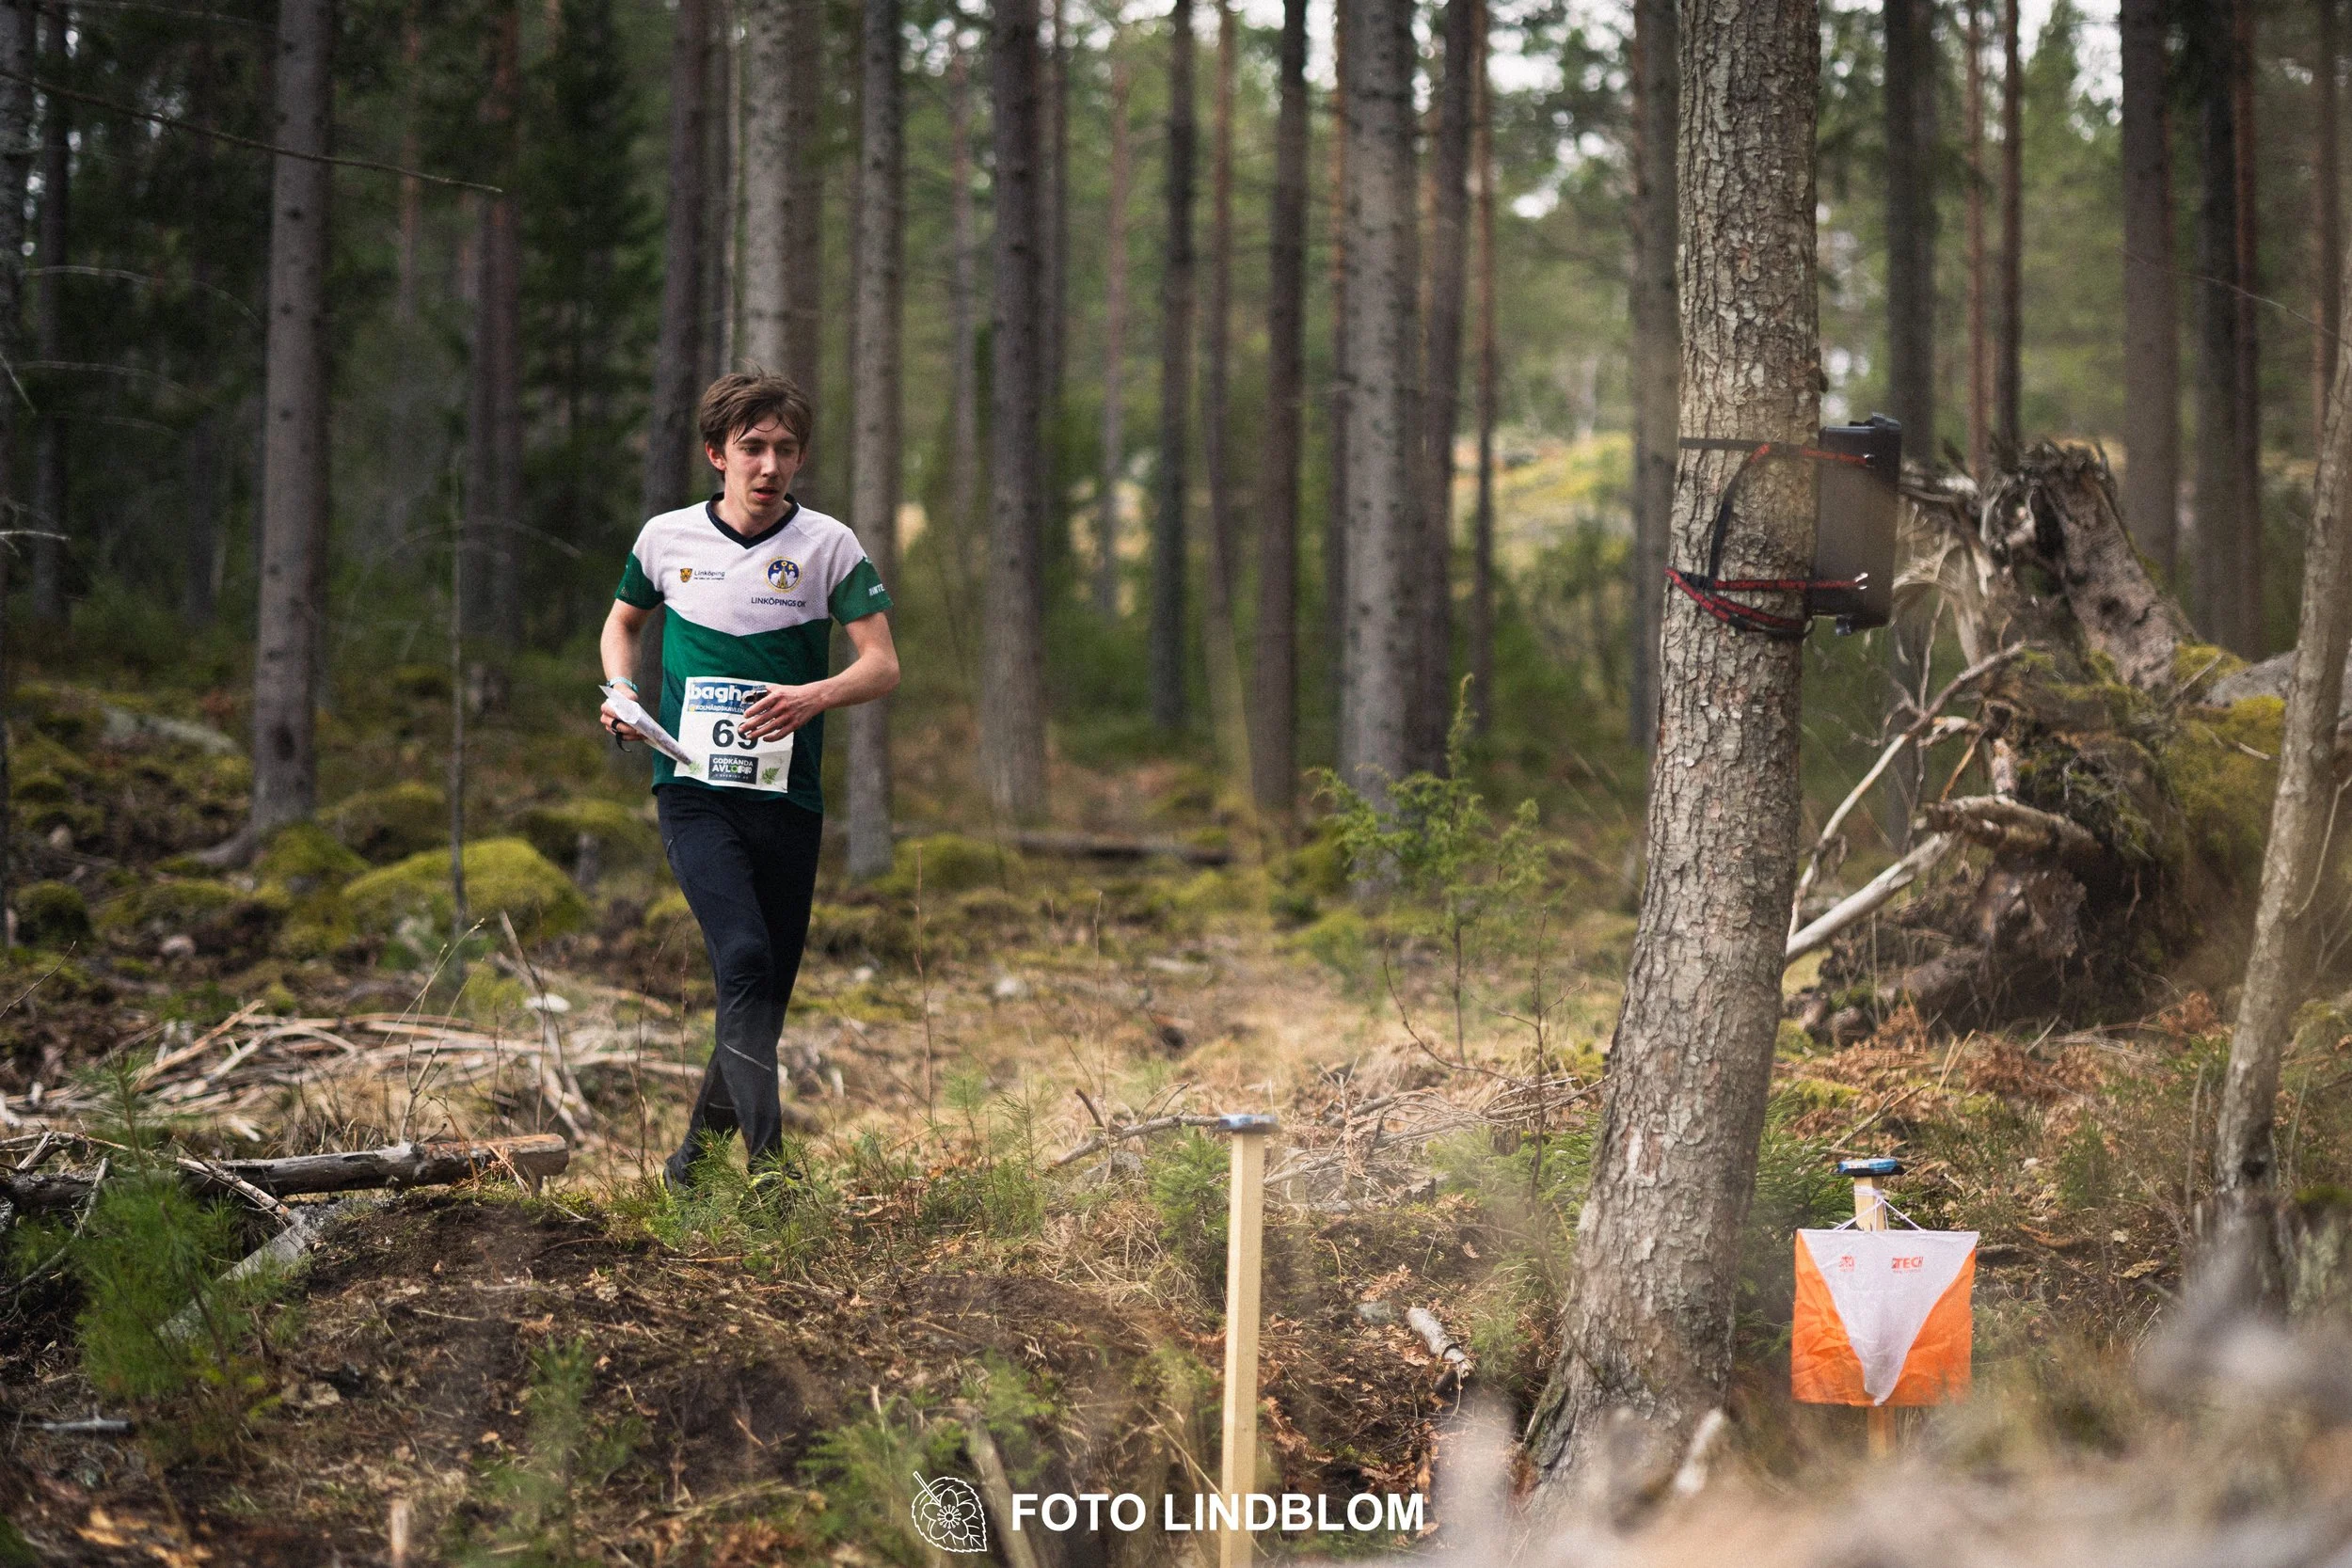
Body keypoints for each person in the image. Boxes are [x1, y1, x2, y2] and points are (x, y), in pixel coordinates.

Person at [599, 372, 898, 1191]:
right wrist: (622, 690)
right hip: (693, 791)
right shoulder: (666, 538)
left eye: (786, 450)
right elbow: (623, 621)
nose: (770, 465)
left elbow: (882, 664)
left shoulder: (829, 545)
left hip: (788, 800)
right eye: (752, 448)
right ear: (716, 454)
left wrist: (813, 695)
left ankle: (690, 1169)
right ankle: (771, 1173)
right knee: (742, 958)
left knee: (762, 995)